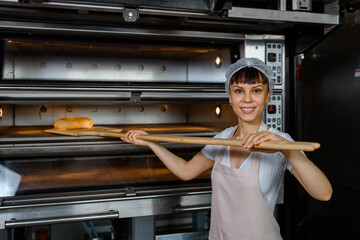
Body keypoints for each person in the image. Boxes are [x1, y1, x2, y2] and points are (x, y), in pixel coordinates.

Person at [121, 58, 333, 240]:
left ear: (267, 95)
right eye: (239, 91)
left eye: (256, 91)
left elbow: (324, 193)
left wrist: (288, 150)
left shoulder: (279, 141)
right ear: (230, 97)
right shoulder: (222, 139)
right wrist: (151, 142)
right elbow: (186, 171)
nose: (247, 99)